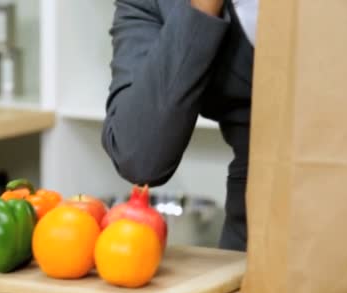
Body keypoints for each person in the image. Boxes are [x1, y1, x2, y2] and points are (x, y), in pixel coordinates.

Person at [102, 0, 258, 251]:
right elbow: (140, 156)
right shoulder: (151, 4)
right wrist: (202, 8)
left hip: (340, 203)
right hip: (255, 232)